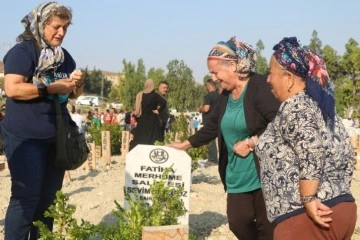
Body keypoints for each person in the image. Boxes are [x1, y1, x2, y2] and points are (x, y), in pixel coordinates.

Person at [169, 36, 280, 240]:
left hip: (263, 173)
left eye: (215, 72)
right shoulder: (225, 96)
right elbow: (212, 127)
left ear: (232, 65)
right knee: (238, 223)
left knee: (267, 227)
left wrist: (252, 142)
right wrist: (184, 145)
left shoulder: (258, 86)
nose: (213, 77)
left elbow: (279, 121)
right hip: (236, 175)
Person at [256, 37, 356, 240]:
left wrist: (308, 198)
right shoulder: (323, 108)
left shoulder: (296, 106)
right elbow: (347, 155)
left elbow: (312, 150)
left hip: (306, 219)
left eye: (271, 73)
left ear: (289, 78)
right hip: (341, 208)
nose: (267, 80)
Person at [1, 2, 85, 239]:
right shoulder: (24, 51)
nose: (61, 32)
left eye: (65, 28)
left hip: (55, 138)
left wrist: (77, 84)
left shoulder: (64, 58)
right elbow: (13, 88)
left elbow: (70, 96)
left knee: (49, 200)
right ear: (41, 24)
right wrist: (49, 88)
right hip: (25, 137)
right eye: (56, 26)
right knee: (26, 198)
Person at [129, 79, 166, 150]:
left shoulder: (141, 94)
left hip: (143, 118)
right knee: (153, 137)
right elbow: (163, 102)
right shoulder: (155, 95)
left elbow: (138, 109)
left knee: (141, 136)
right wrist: (158, 110)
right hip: (153, 119)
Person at [199, 78, 220, 163]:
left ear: (208, 86)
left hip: (210, 121)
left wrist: (200, 109)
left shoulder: (209, 96)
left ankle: (212, 159)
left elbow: (206, 109)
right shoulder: (220, 95)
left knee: (210, 141)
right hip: (219, 120)